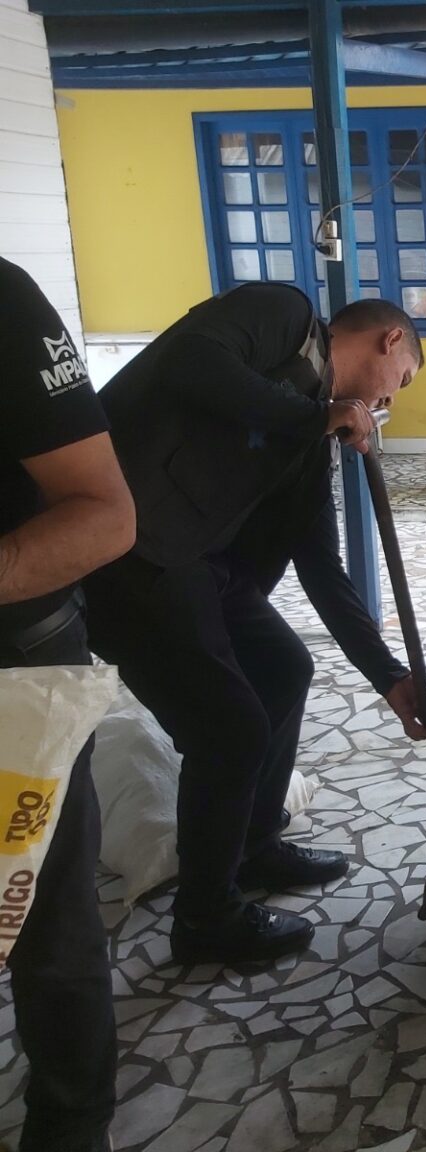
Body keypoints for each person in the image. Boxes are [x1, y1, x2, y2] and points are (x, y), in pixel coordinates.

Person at [83, 283, 426, 967]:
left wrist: (391, 680)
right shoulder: (284, 316)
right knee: (230, 728)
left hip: (198, 563)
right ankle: (205, 919)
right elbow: (191, 362)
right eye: (404, 379)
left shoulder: (313, 430)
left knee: (284, 668)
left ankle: (254, 845)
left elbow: (323, 569)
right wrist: (320, 414)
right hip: (128, 550)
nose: (390, 400)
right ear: (389, 340)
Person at [0, 256, 135, 1151]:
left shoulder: (4, 304)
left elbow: (106, 513)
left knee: (44, 916)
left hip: (18, 662)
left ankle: (70, 1122)